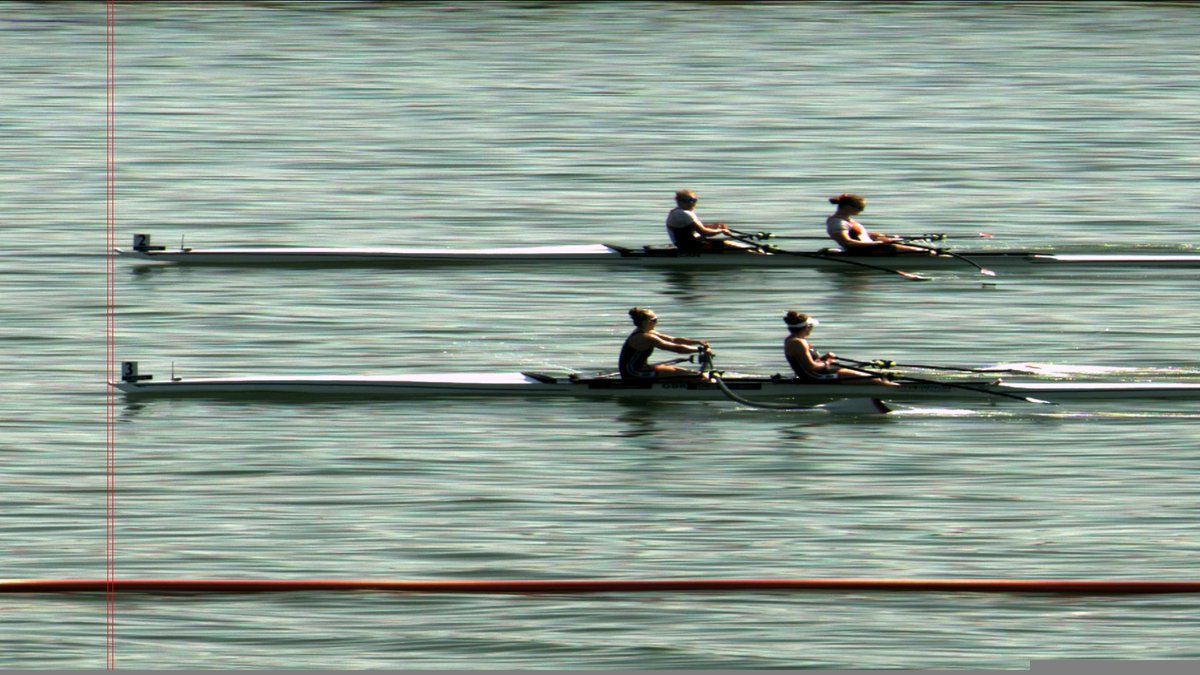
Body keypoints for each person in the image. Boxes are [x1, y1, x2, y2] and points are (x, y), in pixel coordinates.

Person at [782, 311, 896, 385]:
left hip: (821, 373)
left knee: (872, 376)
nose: (812, 329)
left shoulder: (794, 340)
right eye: (811, 327)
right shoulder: (797, 342)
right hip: (816, 377)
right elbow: (811, 366)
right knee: (876, 380)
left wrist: (824, 358)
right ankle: (900, 389)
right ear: (807, 327)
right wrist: (827, 362)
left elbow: (807, 362)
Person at [825, 193, 935, 255]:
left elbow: (857, 236)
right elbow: (848, 242)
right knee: (925, 253)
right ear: (847, 207)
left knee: (924, 251)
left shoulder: (847, 220)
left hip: (871, 249)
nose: (861, 211)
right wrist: (878, 243)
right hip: (863, 252)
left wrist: (875, 236)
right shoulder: (837, 222)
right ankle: (930, 254)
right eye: (860, 208)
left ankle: (929, 253)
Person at [619, 307, 711, 380]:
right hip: (633, 373)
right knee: (685, 374)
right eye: (655, 319)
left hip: (640, 368)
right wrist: (700, 349)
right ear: (646, 321)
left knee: (686, 373)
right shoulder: (644, 337)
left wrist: (698, 343)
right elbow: (676, 348)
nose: (657, 322)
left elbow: (674, 340)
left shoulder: (649, 332)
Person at [665, 190, 734, 253]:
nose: (691, 203)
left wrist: (715, 226)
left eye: (693, 200)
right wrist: (721, 230)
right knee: (728, 245)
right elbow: (704, 232)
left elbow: (696, 227)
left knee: (725, 243)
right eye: (687, 200)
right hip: (689, 247)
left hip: (693, 242)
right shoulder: (682, 213)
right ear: (679, 201)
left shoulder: (684, 211)